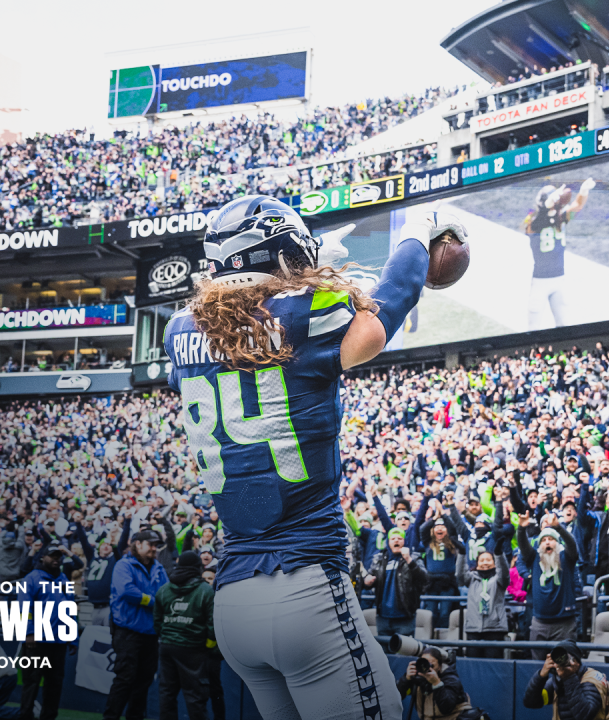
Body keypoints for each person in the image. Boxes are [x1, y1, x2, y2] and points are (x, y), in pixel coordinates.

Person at [164, 197, 458, 720]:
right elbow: (389, 304)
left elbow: (242, 336)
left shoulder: (179, 330)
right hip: (303, 589)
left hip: (233, 598)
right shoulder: (306, 310)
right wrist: (417, 230)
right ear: (282, 253)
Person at [104, 529, 169, 720]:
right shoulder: (123, 565)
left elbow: (166, 593)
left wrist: (156, 601)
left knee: (144, 680)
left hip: (150, 633)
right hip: (127, 632)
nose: (154, 548)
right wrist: (152, 601)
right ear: (137, 544)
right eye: (150, 544)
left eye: (156, 545)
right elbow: (127, 591)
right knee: (125, 679)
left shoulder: (159, 568)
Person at [522, 179, 595, 330]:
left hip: (559, 279)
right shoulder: (533, 219)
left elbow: (577, 206)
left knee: (564, 324)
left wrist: (583, 192)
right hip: (540, 282)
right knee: (533, 327)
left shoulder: (562, 217)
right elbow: (530, 226)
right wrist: (546, 208)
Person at [154, 551, 216, 720]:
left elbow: (157, 621)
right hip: (193, 649)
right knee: (195, 697)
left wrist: (167, 635)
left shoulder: (164, 589)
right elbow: (212, 624)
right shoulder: (205, 590)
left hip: (167, 646)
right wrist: (208, 646)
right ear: (197, 568)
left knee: (166, 694)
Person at [18, 545, 75, 720]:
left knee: (55, 685)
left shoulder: (65, 580)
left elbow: (71, 610)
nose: (56, 559)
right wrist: (28, 632)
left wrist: (73, 637)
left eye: (58, 556)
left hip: (58, 642)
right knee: (31, 683)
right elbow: (23, 607)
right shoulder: (31, 579)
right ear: (43, 557)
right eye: (52, 556)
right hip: (37, 641)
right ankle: (25, 716)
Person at [517, 515, 581, 659]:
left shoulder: (567, 558)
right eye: (544, 540)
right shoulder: (534, 558)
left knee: (565, 668)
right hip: (540, 623)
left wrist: (558, 527)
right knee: (538, 669)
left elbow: (572, 545)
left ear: (557, 543)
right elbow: (523, 546)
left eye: (551, 539)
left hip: (564, 624)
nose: (547, 543)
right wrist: (521, 529)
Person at [522, 640, 609, 720]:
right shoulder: (558, 680)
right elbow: (531, 703)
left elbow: (585, 715)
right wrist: (541, 676)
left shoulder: (592, 679)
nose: (562, 662)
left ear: (577, 662)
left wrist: (569, 678)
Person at [366, 528, 429, 637]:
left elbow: (425, 579)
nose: (396, 541)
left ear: (405, 541)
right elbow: (368, 580)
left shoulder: (414, 557)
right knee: (384, 653)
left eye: (399, 538)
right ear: (388, 542)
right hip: (383, 617)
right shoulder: (379, 559)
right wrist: (366, 582)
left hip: (405, 617)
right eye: (393, 538)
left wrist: (409, 560)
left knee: (404, 652)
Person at [397, 646, 479, 720]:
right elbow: (396, 697)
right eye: (424, 663)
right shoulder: (418, 676)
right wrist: (406, 679)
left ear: (440, 666)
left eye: (431, 665)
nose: (426, 668)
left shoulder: (451, 678)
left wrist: (436, 683)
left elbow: (446, 708)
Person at [455, 549, 510, 658]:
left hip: (495, 629)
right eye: (482, 560)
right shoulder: (471, 579)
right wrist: (461, 554)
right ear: (477, 564)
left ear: (494, 562)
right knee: (474, 666)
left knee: (492, 666)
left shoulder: (499, 580)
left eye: (489, 560)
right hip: (473, 629)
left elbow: (504, 573)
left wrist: (499, 554)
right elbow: (460, 575)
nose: (485, 563)